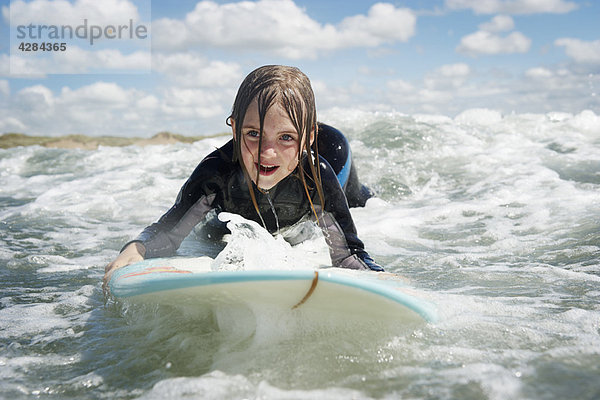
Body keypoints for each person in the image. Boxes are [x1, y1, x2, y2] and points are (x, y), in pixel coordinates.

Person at [104, 65, 383, 286]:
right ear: (235, 129)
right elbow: (168, 233)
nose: (267, 152)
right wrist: (136, 249)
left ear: (309, 138)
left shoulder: (317, 176)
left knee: (361, 200)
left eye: (285, 137)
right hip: (228, 222)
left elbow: (348, 254)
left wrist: (379, 277)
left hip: (336, 160)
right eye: (253, 134)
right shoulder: (216, 174)